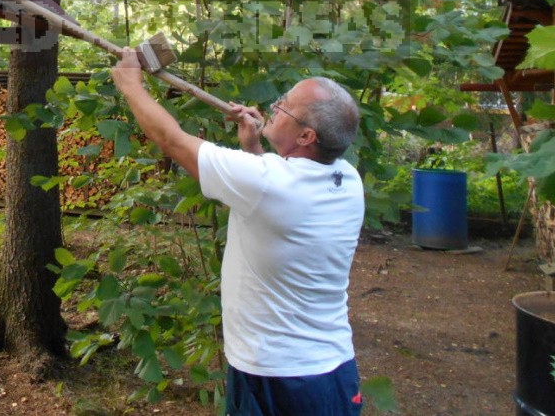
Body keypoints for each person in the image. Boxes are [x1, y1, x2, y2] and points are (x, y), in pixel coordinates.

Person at [111, 49, 365, 416]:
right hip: (332, 368)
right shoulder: (346, 178)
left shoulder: (269, 183)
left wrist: (131, 85)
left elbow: (172, 140)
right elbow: (274, 195)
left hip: (278, 377)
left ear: (307, 135)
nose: (274, 107)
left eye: (285, 107)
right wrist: (252, 145)